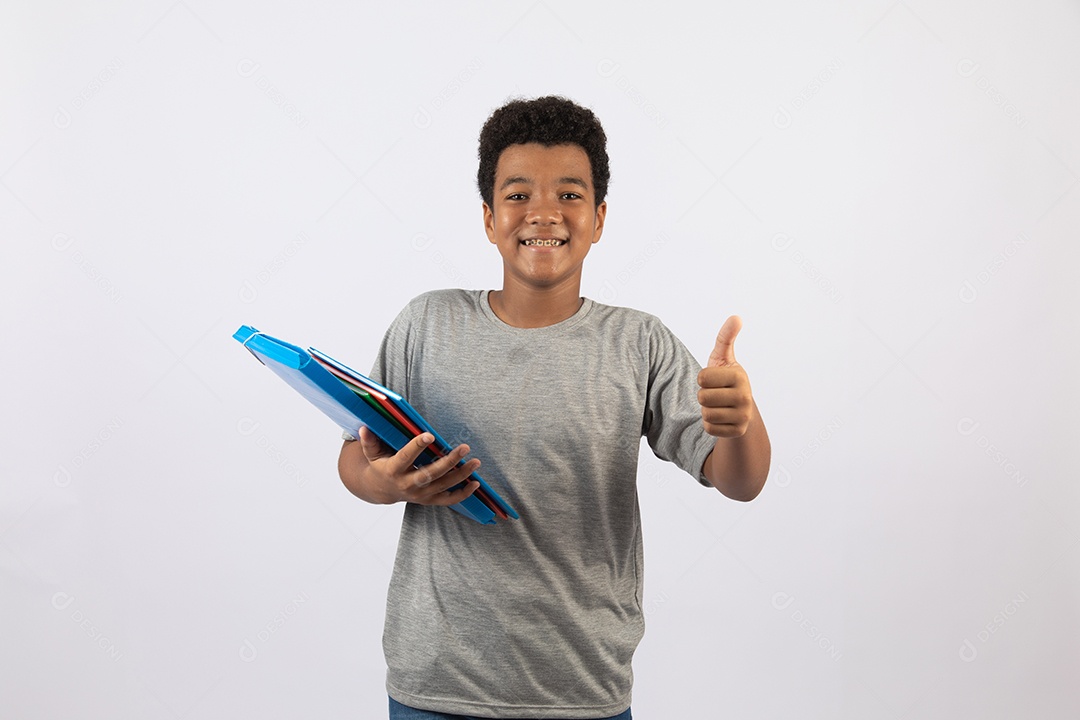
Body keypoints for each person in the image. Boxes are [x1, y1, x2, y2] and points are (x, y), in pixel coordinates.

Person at [338, 96, 771, 720]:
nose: (543, 211)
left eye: (569, 194)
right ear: (488, 218)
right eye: (518, 195)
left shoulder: (639, 343)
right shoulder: (426, 324)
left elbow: (742, 480)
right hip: (435, 686)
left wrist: (740, 424)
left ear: (598, 218)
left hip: (581, 691)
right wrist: (379, 482)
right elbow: (357, 456)